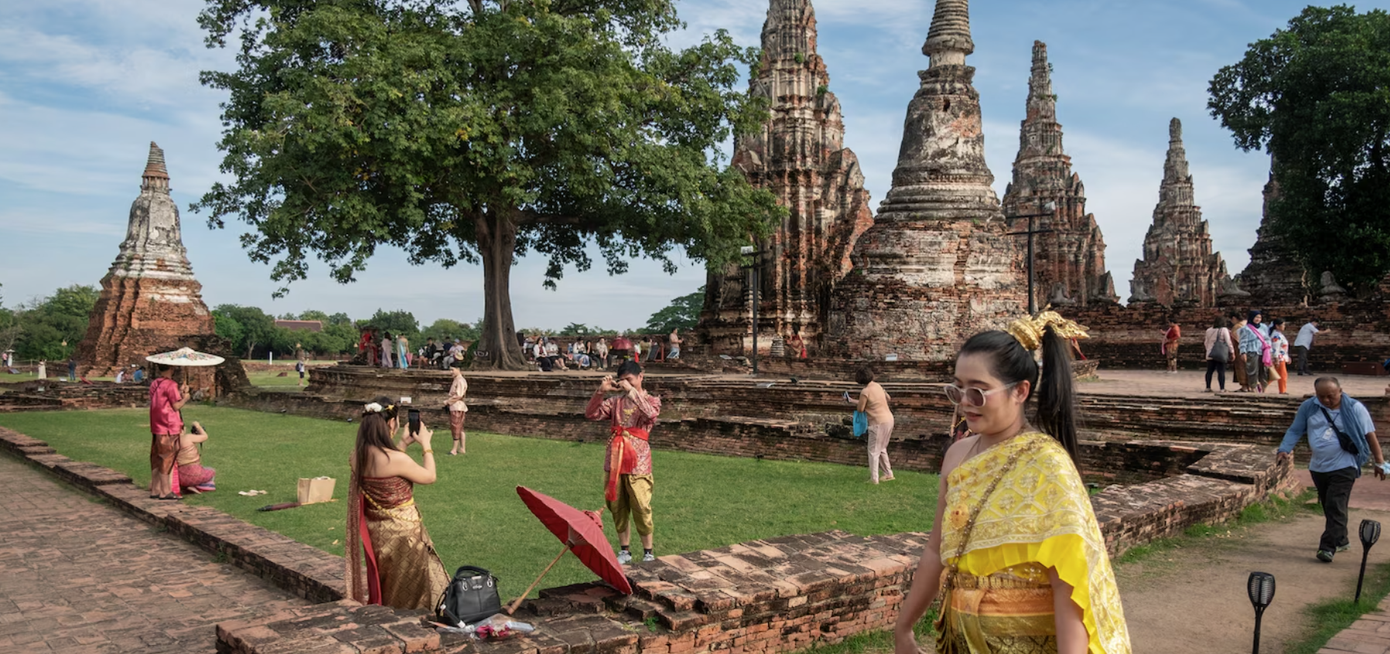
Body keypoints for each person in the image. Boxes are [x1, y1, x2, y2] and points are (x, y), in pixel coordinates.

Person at [893, 312, 1131, 654]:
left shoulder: (1047, 465)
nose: (964, 403)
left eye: (978, 392)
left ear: (1020, 391)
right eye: (958, 389)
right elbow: (936, 549)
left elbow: (1069, 584)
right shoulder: (957, 456)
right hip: (960, 639)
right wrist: (905, 627)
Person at [345, 397, 449, 609]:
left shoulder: (356, 456)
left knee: (390, 582)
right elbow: (429, 476)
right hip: (405, 533)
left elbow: (387, 468)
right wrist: (426, 446)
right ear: (391, 423)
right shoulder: (396, 460)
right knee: (412, 585)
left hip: (378, 530)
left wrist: (402, 444)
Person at [1277, 377, 1385, 563]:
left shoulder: (1355, 408)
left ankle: (1327, 547)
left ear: (1340, 391)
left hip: (1345, 465)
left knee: (1335, 504)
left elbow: (1370, 435)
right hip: (1318, 466)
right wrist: (1284, 449)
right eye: (1322, 396)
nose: (1327, 400)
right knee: (1330, 505)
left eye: (1331, 396)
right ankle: (1341, 538)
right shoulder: (1309, 407)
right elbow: (1295, 430)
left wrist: (1379, 462)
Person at [586, 361, 661, 565]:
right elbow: (591, 414)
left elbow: (650, 415)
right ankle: (625, 550)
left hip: (639, 461)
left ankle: (648, 551)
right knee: (617, 506)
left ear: (640, 377)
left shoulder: (651, 400)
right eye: (623, 380)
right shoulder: (615, 403)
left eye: (630, 379)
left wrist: (632, 393)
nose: (626, 383)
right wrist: (600, 392)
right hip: (614, 460)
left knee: (641, 505)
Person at [149, 364, 189, 500]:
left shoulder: (155, 383)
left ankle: (155, 489)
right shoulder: (171, 384)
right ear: (171, 368)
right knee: (167, 457)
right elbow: (176, 405)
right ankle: (165, 491)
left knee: (156, 457)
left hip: (157, 424)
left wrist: (180, 392)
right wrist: (186, 398)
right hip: (168, 426)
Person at [855, 367, 895, 484]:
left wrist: (856, 403)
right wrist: (853, 400)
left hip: (877, 422)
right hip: (888, 419)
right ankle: (888, 473)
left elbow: (861, 409)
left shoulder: (865, 391)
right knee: (882, 448)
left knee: (873, 451)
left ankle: (874, 478)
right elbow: (888, 398)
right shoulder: (877, 386)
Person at [176, 421, 217, 494]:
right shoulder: (187, 437)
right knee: (211, 470)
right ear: (183, 429)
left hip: (181, 477)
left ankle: (187, 486)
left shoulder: (169, 442)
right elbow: (205, 436)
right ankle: (197, 486)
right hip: (196, 474)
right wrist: (198, 427)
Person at [1238, 311, 1269, 392]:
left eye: (1259, 317)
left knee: (1264, 370)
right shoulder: (1245, 329)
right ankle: (1253, 387)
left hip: (1263, 351)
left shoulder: (1264, 327)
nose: (1258, 319)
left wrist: (1269, 349)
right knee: (1253, 370)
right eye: (1256, 317)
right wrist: (1243, 352)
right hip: (1252, 350)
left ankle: (1263, 387)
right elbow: (1243, 341)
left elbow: (1267, 339)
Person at [1203, 316, 1235, 393]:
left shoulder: (1209, 330)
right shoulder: (1224, 330)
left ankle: (1208, 387)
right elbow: (1228, 341)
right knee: (1221, 371)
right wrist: (1232, 352)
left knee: (1209, 371)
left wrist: (1209, 349)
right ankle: (1222, 388)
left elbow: (1206, 342)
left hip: (1210, 353)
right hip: (1220, 353)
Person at [447, 366, 468, 455]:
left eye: (452, 370)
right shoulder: (457, 379)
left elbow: (458, 395)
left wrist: (447, 401)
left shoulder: (460, 380)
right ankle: (462, 448)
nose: (451, 372)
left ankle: (454, 449)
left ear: (458, 369)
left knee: (456, 427)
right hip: (457, 406)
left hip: (457, 406)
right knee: (460, 428)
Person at [1270, 319, 1291, 394]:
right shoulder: (1276, 335)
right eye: (1283, 325)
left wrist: (1287, 357)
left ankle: (1261, 387)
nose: (1284, 326)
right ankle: (1282, 390)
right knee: (1281, 375)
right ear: (1277, 326)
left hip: (1281, 357)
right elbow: (1276, 348)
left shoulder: (1279, 334)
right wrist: (1276, 358)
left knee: (1274, 374)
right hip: (1279, 358)